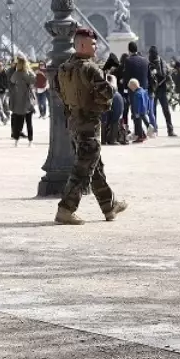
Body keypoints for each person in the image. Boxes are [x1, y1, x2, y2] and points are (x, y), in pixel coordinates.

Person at [55, 27, 126, 225]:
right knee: (83, 168)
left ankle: (109, 205)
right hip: (89, 123)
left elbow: (59, 92)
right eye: (93, 44)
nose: (96, 47)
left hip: (74, 122)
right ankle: (66, 209)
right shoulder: (91, 69)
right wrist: (112, 83)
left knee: (94, 167)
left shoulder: (63, 68)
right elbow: (107, 96)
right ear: (83, 45)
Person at [8, 55, 36, 145]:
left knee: (19, 123)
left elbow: (12, 80)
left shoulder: (16, 74)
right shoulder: (28, 73)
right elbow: (34, 79)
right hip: (28, 101)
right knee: (29, 122)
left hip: (19, 102)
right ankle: (30, 141)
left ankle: (16, 141)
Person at [147, 46, 175, 136]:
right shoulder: (150, 63)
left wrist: (170, 81)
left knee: (165, 110)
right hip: (154, 89)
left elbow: (167, 74)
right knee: (153, 111)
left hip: (161, 89)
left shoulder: (162, 62)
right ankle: (155, 130)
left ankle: (169, 130)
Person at [102, 75, 127, 145]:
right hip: (116, 97)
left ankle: (103, 139)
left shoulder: (105, 82)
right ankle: (112, 139)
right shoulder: (113, 81)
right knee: (115, 120)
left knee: (104, 120)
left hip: (107, 96)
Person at [127, 78, 153, 143]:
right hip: (144, 110)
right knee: (141, 122)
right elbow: (148, 101)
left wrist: (136, 112)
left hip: (138, 111)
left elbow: (137, 104)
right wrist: (148, 109)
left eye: (131, 88)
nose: (131, 90)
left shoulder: (136, 93)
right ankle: (145, 132)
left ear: (133, 86)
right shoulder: (144, 91)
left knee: (137, 124)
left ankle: (140, 137)